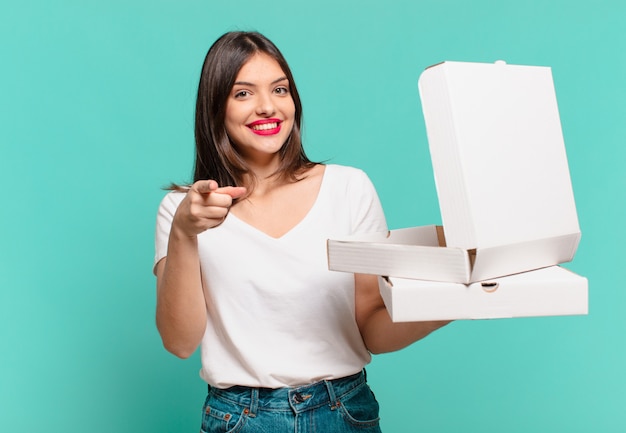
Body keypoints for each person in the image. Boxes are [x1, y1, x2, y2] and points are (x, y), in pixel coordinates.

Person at [154, 30, 449, 433]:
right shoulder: (185, 210)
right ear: (215, 107)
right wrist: (185, 233)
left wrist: (451, 302)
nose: (267, 107)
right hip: (242, 418)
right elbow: (179, 341)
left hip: (345, 412)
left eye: (279, 89)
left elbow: (372, 331)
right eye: (243, 94)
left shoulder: (349, 188)